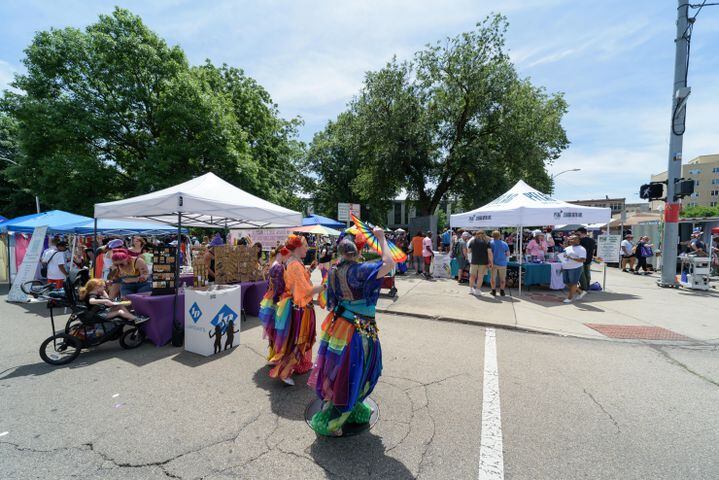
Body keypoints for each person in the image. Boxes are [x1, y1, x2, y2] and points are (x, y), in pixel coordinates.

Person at [309, 227, 395, 436]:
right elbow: (390, 263)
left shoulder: (334, 271)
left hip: (339, 326)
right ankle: (333, 421)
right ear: (358, 251)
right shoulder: (361, 270)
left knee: (338, 370)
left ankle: (351, 407)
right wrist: (381, 238)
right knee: (356, 370)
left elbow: (331, 299)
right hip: (359, 330)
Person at [269, 234, 323, 386]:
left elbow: (302, 281)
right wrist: (326, 286)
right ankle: (284, 372)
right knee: (299, 341)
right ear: (298, 247)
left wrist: (311, 268)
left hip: (301, 307)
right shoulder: (295, 265)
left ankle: (299, 365)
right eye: (305, 245)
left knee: (300, 340)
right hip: (301, 308)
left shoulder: (295, 262)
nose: (307, 248)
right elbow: (306, 291)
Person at [259, 246, 289, 361]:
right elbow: (280, 287)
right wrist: (279, 301)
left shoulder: (273, 264)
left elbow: (269, 284)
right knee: (278, 329)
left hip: (270, 298)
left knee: (272, 328)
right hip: (277, 299)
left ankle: (273, 353)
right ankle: (276, 355)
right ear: (283, 253)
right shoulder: (279, 266)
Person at [79, 278, 147, 324]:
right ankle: (135, 318)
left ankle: (130, 317)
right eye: (103, 287)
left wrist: (103, 293)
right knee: (119, 312)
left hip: (101, 312)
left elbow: (108, 298)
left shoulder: (95, 293)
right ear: (97, 287)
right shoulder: (92, 295)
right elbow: (92, 301)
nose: (104, 288)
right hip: (98, 315)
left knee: (120, 306)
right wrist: (105, 300)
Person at [559, 235, 587, 303]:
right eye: (570, 239)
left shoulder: (581, 249)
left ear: (578, 240)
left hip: (575, 268)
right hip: (566, 267)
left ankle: (569, 298)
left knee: (573, 283)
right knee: (566, 282)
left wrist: (571, 258)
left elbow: (583, 260)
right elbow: (564, 258)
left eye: (573, 239)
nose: (571, 240)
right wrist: (562, 266)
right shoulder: (568, 248)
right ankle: (581, 292)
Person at [468, 231, 493, 295]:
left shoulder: (472, 241)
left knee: (472, 276)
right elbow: (489, 253)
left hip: (474, 261)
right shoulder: (486, 242)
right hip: (483, 262)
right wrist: (491, 262)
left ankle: (470, 289)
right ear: (483, 235)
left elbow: (469, 251)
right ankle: (477, 290)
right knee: (480, 277)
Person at [576, 227, 595, 293]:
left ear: (583, 233)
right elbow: (593, 250)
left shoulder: (581, 241)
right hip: (589, 259)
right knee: (587, 273)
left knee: (582, 274)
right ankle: (587, 286)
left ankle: (584, 287)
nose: (577, 236)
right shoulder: (592, 240)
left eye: (578, 234)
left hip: (582, 259)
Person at [489, 231, 509, 297]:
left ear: (492, 236)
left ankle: (493, 291)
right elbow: (508, 254)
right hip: (503, 263)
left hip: (493, 263)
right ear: (499, 236)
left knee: (493, 278)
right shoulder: (505, 243)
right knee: (502, 279)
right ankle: (502, 291)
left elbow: (489, 253)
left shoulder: (490, 243)